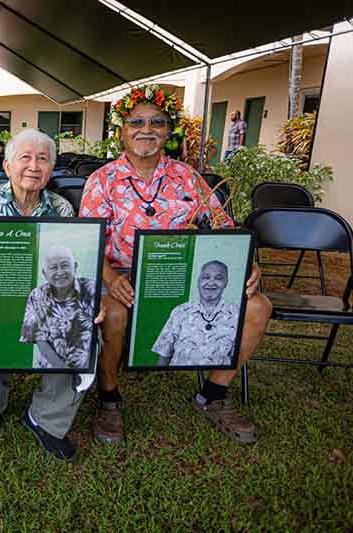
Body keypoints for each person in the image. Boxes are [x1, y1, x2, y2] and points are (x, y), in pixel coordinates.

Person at [79, 84, 271, 445]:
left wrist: (248, 264)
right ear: (122, 129)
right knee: (115, 314)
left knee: (258, 307)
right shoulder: (101, 181)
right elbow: (88, 242)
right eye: (136, 121)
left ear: (169, 131)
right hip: (121, 277)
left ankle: (213, 395)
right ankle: (108, 400)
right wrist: (108, 276)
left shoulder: (188, 178)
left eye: (157, 122)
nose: (146, 129)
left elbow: (223, 228)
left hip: (189, 279)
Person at [0, 128, 103, 462]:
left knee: (84, 330)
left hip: (50, 301)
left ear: (51, 168)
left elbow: (74, 265)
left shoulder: (62, 209)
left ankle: (45, 418)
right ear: (7, 166)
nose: (34, 166)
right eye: (25, 157)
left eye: (43, 159)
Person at [20, 245, 97, 370]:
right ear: (45, 273)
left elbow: (98, 332)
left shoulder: (91, 288)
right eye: (54, 268)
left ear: (75, 267)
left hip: (86, 363)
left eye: (65, 265)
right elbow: (40, 340)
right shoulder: (37, 295)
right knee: (57, 385)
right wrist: (62, 369)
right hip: (52, 364)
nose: (60, 272)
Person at [154, 261, 239, 367]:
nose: (211, 282)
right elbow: (164, 354)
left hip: (214, 376)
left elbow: (238, 358)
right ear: (198, 281)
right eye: (206, 277)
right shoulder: (180, 311)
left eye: (218, 278)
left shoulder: (237, 314)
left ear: (226, 282)